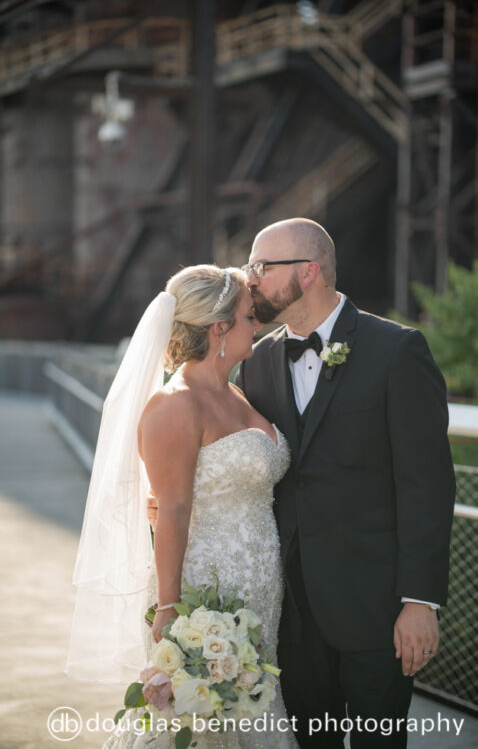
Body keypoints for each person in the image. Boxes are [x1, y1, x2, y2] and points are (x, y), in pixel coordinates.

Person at [233, 218, 456, 748]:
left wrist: (420, 602)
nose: (250, 280)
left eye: (261, 267)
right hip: (291, 615)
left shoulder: (397, 350)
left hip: (378, 612)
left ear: (308, 273)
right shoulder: (257, 363)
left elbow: (427, 484)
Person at [66, 265, 298, 749]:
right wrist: (170, 607)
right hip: (203, 590)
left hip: (260, 585)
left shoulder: (234, 391)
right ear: (219, 328)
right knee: (199, 723)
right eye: (249, 317)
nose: (257, 325)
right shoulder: (174, 405)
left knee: (253, 704)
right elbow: (171, 510)